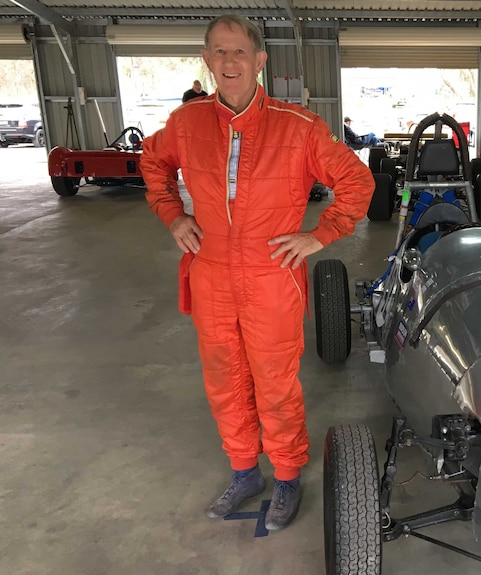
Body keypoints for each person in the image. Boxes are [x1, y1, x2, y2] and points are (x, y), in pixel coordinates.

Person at [141, 14, 374, 532]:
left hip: (272, 275)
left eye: (239, 52)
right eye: (219, 52)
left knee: (275, 382)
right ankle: (244, 470)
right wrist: (172, 215)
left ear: (260, 61)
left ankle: (287, 475)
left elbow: (357, 181)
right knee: (225, 380)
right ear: (206, 59)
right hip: (212, 274)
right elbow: (153, 163)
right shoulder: (186, 123)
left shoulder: (299, 127)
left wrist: (320, 234)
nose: (229, 62)